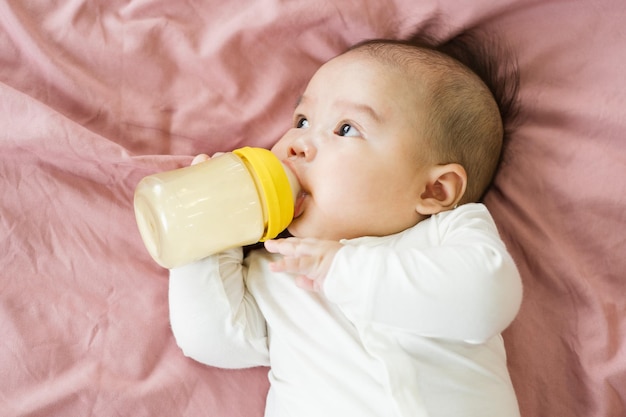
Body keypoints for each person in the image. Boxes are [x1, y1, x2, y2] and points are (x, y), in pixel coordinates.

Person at [168, 33, 523, 417]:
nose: (294, 144)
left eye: (346, 129)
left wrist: (342, 270)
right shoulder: (277, 267)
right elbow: (213, 339)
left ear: (435, 190)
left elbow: (485, 301)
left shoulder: (448, 236)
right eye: (302, 120)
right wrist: (207, 233)